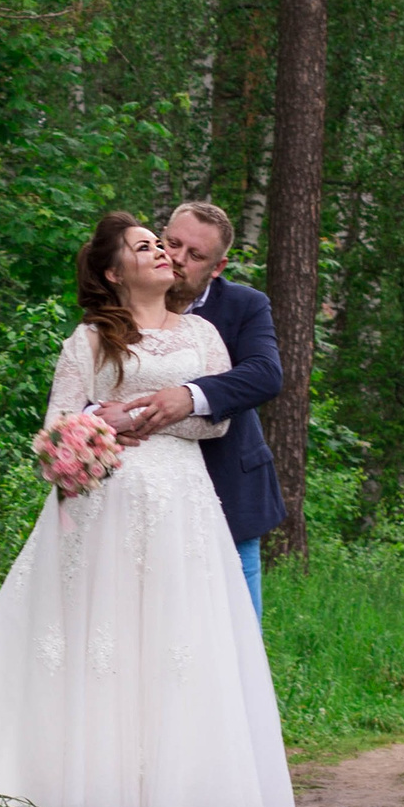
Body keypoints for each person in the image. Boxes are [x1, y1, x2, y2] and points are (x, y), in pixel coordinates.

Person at [0, 212, 296, 807]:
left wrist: (155, 411)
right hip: (104, 505)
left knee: (177, 638)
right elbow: (56, 428)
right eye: (150, 246)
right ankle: (88, 784)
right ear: (116, 272)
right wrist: (97, 426)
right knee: (102, 636)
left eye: (166, 246)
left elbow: (216, 426)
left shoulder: (202, 334)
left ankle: (184, 793)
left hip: (182, 504)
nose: (164, 253)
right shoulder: (89, 339)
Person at [96, 202, 284, 619]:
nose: (177, 258)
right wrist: (101, 419)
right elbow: (94, 382)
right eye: (172, 243)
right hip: (136, 498)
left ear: (217, 267)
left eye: (195, 255)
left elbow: (265, 373)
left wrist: (190, 396)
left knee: (235, 635)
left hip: (228, 487)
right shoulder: (118, 301)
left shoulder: (245, 306)